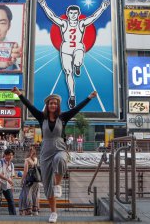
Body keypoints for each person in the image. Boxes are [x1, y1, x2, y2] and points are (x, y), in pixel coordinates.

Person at [11, 86, 97, 223]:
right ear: (47, 105)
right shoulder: (41, 117)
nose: (53, 105)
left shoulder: (63, 118)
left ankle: (58, 184)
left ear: (57, 106)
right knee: (46, 186)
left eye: (55, 103)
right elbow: (29, 106)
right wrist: (19, 94)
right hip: (45, 151)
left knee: (61, 160)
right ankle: (53, 213)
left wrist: (89, 98)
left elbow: (76, 109)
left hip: (60, 148)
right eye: (51, 103)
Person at [38, 0, 110, 109]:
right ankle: (72, 96)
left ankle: (77, 65)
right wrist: (44, 5)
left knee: (78, 57)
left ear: (78, 14)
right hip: (66, 49)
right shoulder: (63, 23)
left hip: (78, 47)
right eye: (71, 13)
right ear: (67, 14)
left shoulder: (81, 24)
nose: (73, 15)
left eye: (75, 13)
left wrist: (102, 7)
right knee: (68, 73)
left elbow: (93, 17)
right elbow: (52, 16)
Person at [0, 148, 16, 215]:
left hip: (7, 185)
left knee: (11, 201)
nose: (10, 157)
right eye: (8, 155)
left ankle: (13, 216)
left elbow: (11, 175)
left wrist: (11, 185)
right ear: (5, 155)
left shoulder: (12, 164)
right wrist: (8, 180)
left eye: (11, 155)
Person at [19, 146, 40, 216]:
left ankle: (29, 209)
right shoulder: (36, 159)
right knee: (35, 194)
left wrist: (22, 181)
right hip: (36, 180)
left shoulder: (27, 160)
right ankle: (35, 209)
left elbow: (25, 172)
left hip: (29, 180)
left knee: (27, 194)